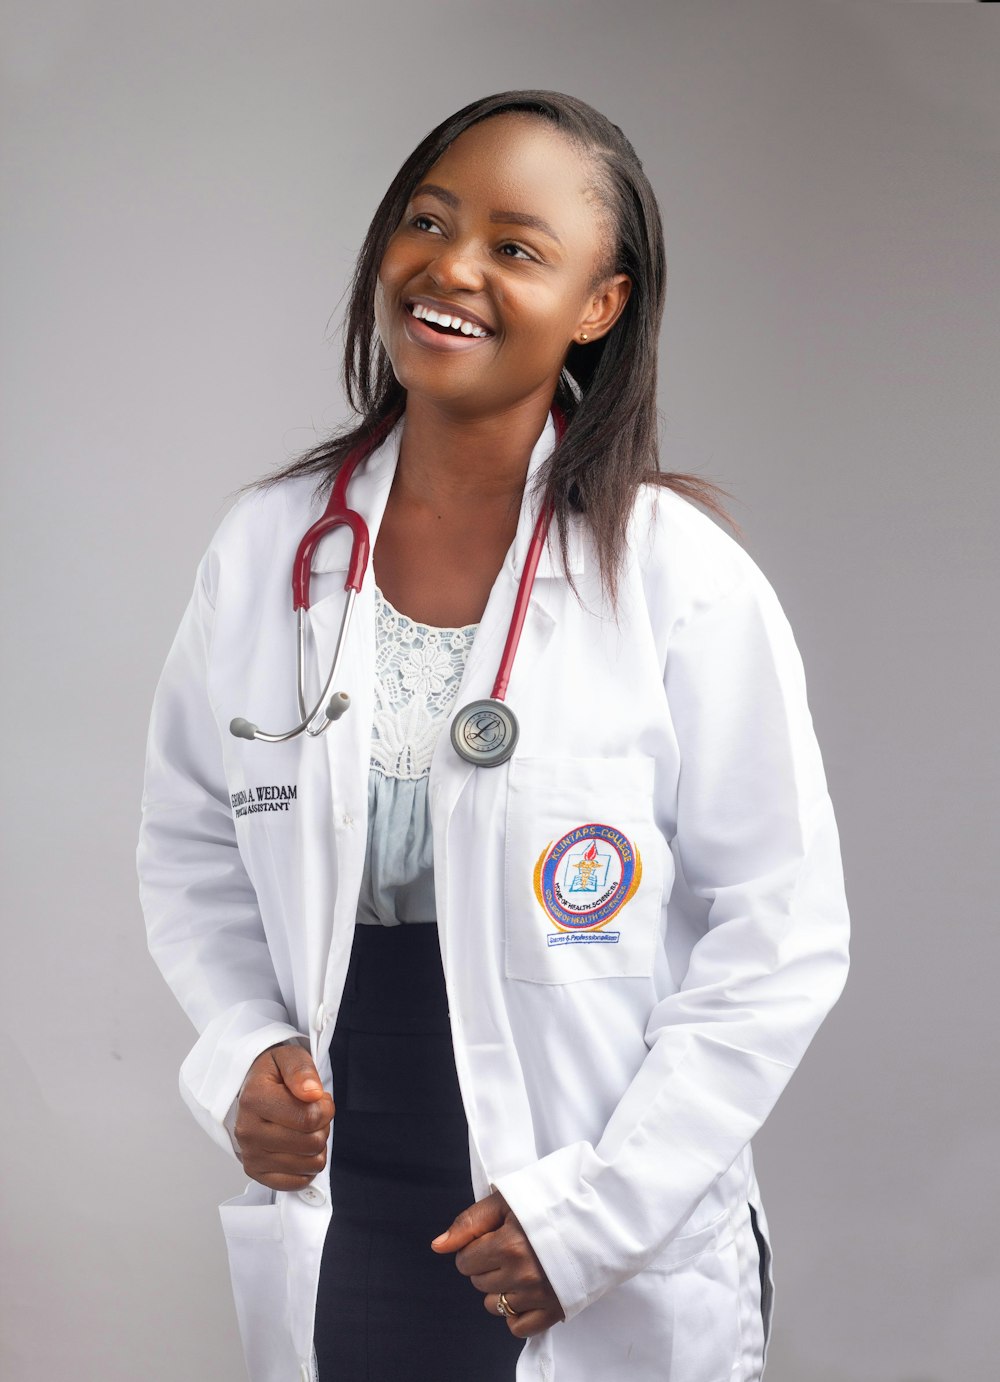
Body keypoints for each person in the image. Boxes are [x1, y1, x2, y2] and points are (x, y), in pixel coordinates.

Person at [137, 89, 850, 1382]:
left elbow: (780, 935)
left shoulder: (681, 577)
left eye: (517, 247)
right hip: (347, 1182)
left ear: (601, 304)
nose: (450, 268)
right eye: (428, 220)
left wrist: (596, 1215)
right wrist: (245, 1051)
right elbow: (193, 845)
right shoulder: (267, 551)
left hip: (581, 1199)